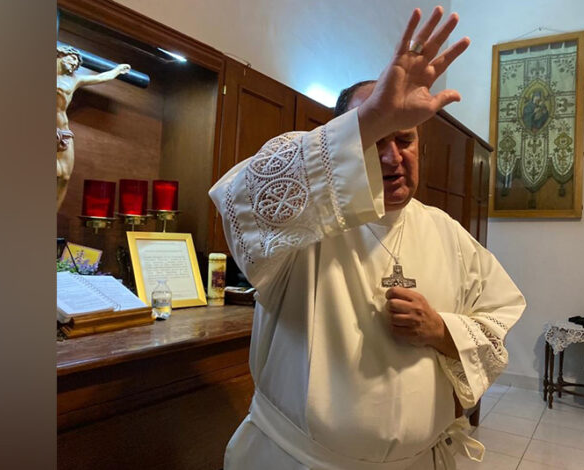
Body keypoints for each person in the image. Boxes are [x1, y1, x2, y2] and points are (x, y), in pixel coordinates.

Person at [209, 7, 526, 469]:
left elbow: (497, 322)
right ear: (342, 144)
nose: (393, 157)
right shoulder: (304, 224)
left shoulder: (448, 234)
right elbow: (244, 196)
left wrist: (442, 330)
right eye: (375, 139)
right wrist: (371, 116)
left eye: (405, 139)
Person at [56, 45, 130, 210]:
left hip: (64, 132)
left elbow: (100, 78)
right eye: (72, 59)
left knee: (65, 177)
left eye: (76, 63)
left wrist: (117, 70)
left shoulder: (74, 80)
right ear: (60, 55)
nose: (74, 64)